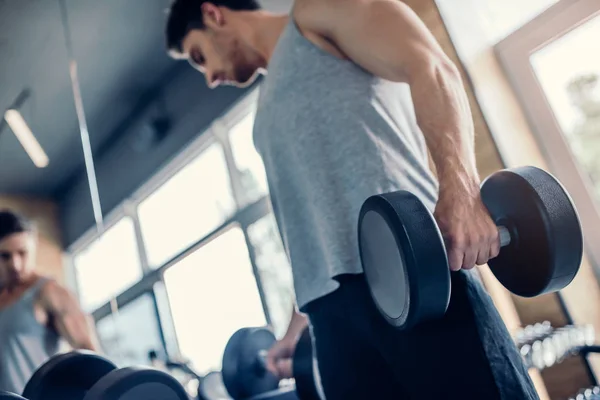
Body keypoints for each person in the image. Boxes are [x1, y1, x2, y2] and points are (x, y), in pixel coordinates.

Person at [164, 1, 538, 398]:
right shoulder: (264, 113)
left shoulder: (314, 16)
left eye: (199, 56)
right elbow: (312, 226)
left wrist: (461, 190)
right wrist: (298, 325)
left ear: (213, 14)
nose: (208, 77)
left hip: (412, 273)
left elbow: (429, 65)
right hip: (331, 322)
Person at [0, 209, 100, 394]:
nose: (15, 265)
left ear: (33, 245)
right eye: (5, 256)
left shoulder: (49, 292)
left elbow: (93, 361)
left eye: (22, 253)